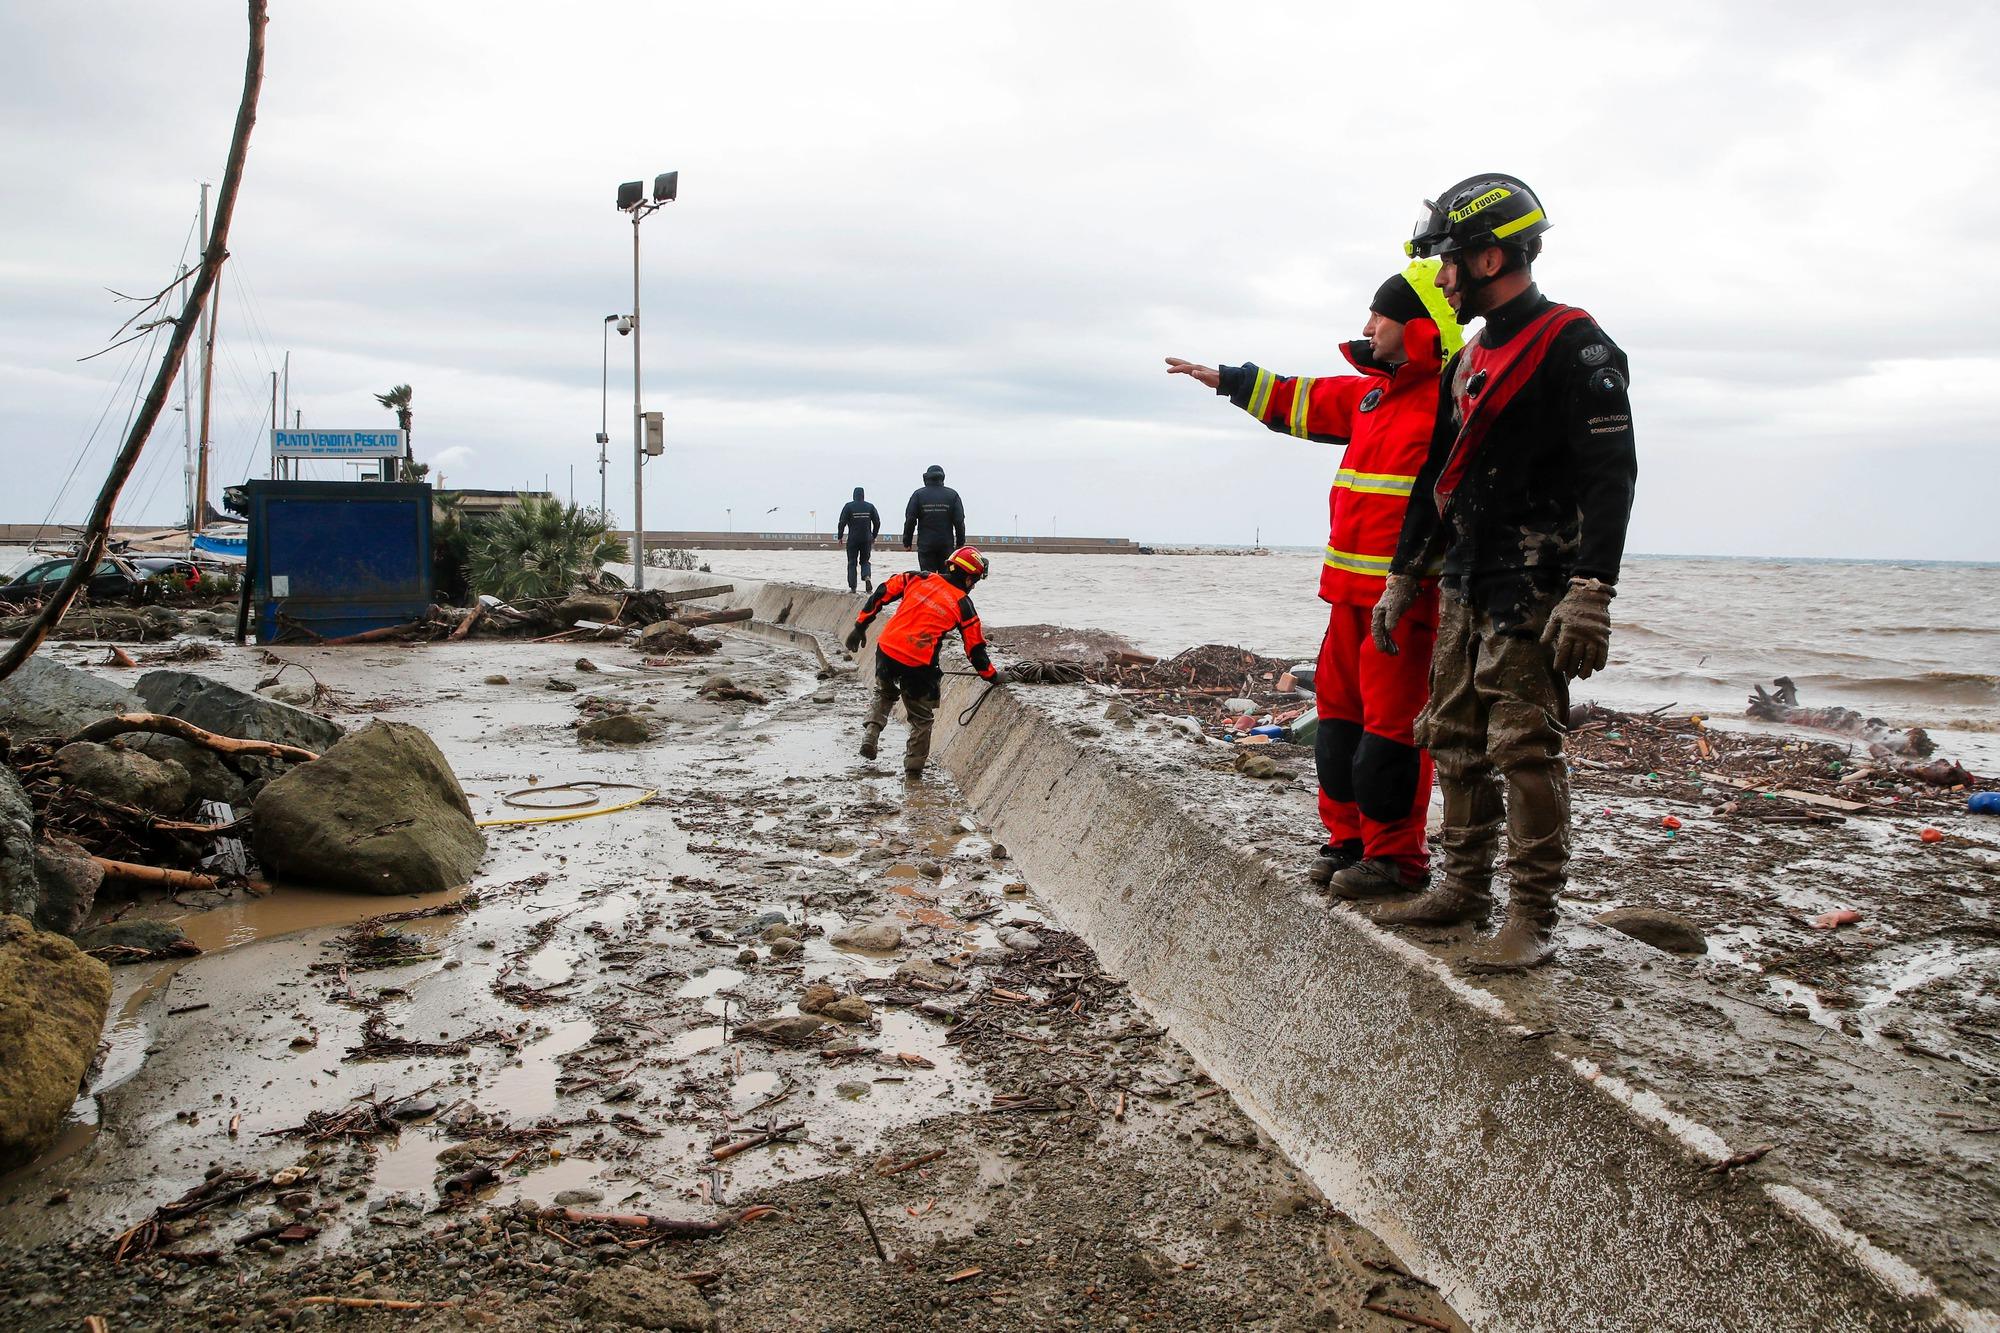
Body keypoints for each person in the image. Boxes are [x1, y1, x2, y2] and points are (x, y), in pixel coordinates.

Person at [1369, 174, 1637, 971]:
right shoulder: (1470, 358)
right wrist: (1405, 573)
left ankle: (1531, 915)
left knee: (1523, 745)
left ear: (1491, 256)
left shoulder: (1575, 345)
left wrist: (1592, 589)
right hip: (1468, 576)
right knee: (1453, 734)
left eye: (1450, 261)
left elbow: (1611, 474)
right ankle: (1464, 886)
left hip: (1537, 582)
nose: (1441, 278)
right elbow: (1436, 475)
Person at [1166, 260, 1462, 897]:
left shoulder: (1451, 401)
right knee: (1337, 730)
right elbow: (1295, 398)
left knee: (1390, 736)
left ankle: (1396, 861)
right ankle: (1348, 841)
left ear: (1414, 327)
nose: (1367, 326)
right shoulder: (1372, 397)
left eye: (1378, 314)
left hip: (1406, 603)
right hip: (1345, 602)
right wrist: (1224, 379)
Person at [844, 545, 1001, 777]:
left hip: (887, 649)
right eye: (975, 581)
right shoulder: (963, 605)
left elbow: (881, 592)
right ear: (969, 579)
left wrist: (860, 626)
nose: (974, 586)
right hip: (918, 663)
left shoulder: (918, 577)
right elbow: (975, 649)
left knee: (884, 693)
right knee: (921, 719)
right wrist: (992, 676)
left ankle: (871, 733)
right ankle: (914, 770)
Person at [902, 464, 965, 572]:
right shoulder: (952, 495)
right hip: (946, 545)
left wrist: (907, 542)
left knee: (928, 579)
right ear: (942, 478)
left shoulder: (918, 495)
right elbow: (959, 521)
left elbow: (910, 520)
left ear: (926, 477)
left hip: (926, 545)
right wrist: (960, 543)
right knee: (947, 579)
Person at [836, 486, 881, 593]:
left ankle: (853, 587)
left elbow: (841, 522)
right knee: (865, 561)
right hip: (866, 539)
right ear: (863, 495)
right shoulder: (870, 507)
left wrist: (840, 536)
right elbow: (877, 522)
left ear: (854, 495)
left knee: (852, 562)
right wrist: (873, 535)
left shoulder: (848, 507)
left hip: (853, 539)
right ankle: (867, 577)